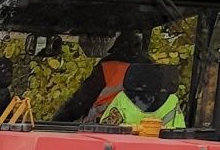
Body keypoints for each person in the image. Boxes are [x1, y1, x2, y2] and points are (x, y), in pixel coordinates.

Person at [54, 30, 185, 129]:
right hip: (152, 134)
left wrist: (56, 122)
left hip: (107, 129)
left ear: (116, 47)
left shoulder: (108, 67)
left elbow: (81, 102)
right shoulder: (152, 69)